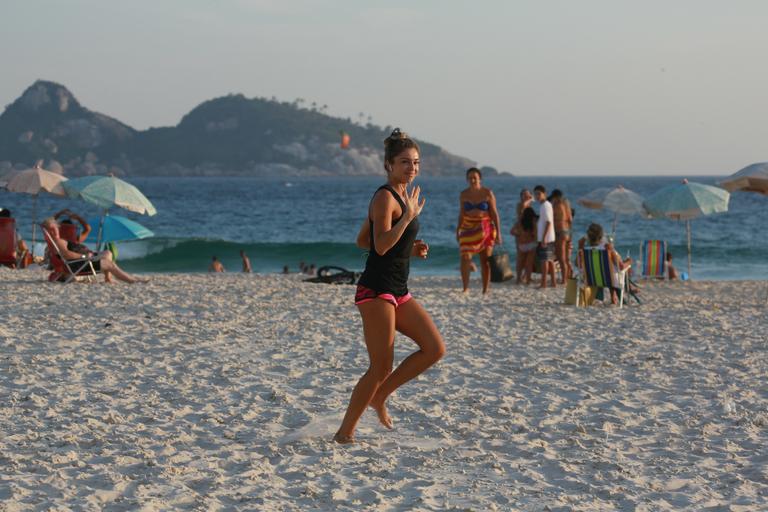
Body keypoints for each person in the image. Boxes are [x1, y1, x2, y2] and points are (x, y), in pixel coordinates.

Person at [335, 128, 445, 444]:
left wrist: (409, 248)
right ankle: (344, 433)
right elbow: (380, 247)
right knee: (380, 366)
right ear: (389, 164)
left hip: (398, 289)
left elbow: (363, 240)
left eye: (416, 163)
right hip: (376, 290)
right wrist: (407, 217)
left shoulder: (400, 195)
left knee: (434, 348)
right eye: (405, 162)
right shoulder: (385, 197)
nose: (412, 168)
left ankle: (379, 397)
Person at [41, 217, 146, 284]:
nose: (52, 232)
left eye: (53, 229)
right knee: (110, 264)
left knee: (108, 253)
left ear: (58, 228)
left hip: (80, 262)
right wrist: (84, 257)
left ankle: (108, 278)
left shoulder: (55, 242)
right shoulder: (58, 242)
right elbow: (67, 255)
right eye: (50, 230)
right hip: (78, 264)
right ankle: (132, 281)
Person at [456, 167, 502, 294]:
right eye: (470, 178)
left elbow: (494, 213)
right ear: (467, 179)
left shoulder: (487, 193)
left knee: (485, 260)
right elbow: (461, 213)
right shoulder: (463, 194)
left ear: (480, 179)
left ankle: (485, 289)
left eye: (475, 177)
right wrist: (458, 229)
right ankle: (465, 288)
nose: (472, 180)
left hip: (485, 228)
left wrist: (498, 233)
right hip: (467, 228)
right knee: (465, 258)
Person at [577, 223, 631, 304]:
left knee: (609, 269)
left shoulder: (584, 251)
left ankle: (611, 297)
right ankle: (621, 294)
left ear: (588, 236)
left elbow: (578, 264)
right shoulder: (608, 250)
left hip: (590, 280)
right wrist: (629, 261)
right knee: (614, 270)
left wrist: (581, 244)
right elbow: (621, 266)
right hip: (610, 281)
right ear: (601, 237)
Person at [534, 185, 556, 288]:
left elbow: (548, 222)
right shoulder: (545, 205)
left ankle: (544, 283)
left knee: (545, 261)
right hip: (549, 237)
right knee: (550, 260)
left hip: (546, 238)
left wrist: (543, 238)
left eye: (539, 193)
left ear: (544, 194)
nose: (537, 196)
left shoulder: (545, 205)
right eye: (535, 194)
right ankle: (553, 282)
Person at [550, 189, 573, 284]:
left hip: (559, 231)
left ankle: (564, 279)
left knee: (561, 257)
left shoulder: (556, 205)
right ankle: (566, 277)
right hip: (566, 231)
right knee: (565, 257)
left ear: (555, 197)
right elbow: (570, 220)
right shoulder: (566, 205)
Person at [510, 207, 537, 285]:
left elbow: (511, 232)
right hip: (531, 244)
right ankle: (528, 280)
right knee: (529, 264)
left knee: (520, 263)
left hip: (522, 245)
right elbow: (535, 234)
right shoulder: (533, 222)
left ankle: (518, 279)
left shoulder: (519, 222)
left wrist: (519, 234)